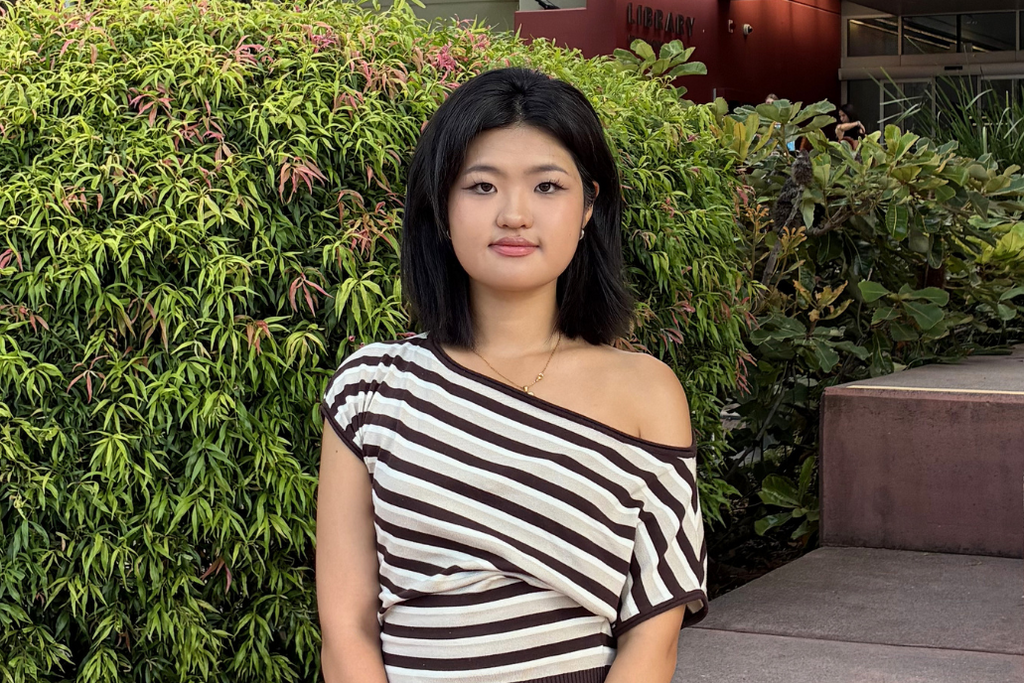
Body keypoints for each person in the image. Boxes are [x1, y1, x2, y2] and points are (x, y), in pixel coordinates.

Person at [316, 68, 708, 683]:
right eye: (481, 186)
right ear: (442, 207)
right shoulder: (372, 388)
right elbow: (346, 627)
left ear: (588, 206)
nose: (515, 214)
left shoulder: (646, 393)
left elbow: (652, 640)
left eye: (548, 186)